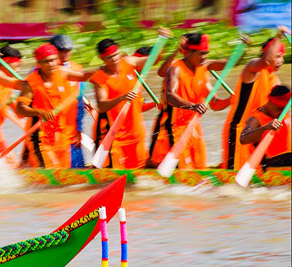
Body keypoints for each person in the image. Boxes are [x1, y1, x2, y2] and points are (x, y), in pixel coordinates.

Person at [149, 33, 231, 170]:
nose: (204, 57)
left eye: (206, 53)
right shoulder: (175, 69)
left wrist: (232, 100)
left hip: (193, 128)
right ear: (189, 52)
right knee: (175, 170)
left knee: (199, 167)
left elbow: (215, 105)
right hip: (172, 127)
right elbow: (170, 95)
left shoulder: (203, 69)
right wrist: (193, 106)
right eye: (200, 54)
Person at [222, 33, 286, 169]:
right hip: (239, 132)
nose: (281, 61)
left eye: (283, 57)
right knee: (236, 173)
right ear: (266, 54)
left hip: (260, 131)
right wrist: (278, 36)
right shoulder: (253, 69)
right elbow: (266, 62)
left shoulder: (275, 80)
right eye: (278, 56)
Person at [89, 38, 153, 169]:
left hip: (136, 132)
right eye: (109, 57)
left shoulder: (131, 67)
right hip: (114, 136)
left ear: (119, 53)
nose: (114, 60)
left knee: (140, 170)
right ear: (103, 59)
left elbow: (152, 60)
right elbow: (101, 106)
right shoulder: (100, 77)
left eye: (115, 55)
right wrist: (120, 98)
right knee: (114, 175)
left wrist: (161, 42)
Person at [16, 44, 73, 168]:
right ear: (39, 64)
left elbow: (85, 77)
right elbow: (20, 108)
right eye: (47, 61)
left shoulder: (61, 73)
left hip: (60, 135)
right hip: (40, 137)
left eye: (53, 60)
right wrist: (40, 112)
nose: (51, 64)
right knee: (51, 172)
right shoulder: (30, 83)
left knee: (64, 173)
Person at [49, 33, 87, 167]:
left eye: (68, 51)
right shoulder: (42, 70)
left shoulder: (77, 69)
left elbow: (80, 101)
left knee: (77, 168)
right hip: (51, 129)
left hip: (71, 128)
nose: (65, 54)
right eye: (62, 51)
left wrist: (79, 128)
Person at [240, 85, 291, 169]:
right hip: (266, 166)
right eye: (279, 108)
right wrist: (265, 127)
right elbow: (243, 139)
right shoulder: (255, 119)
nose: (281, 112)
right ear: (270, 102)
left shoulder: (283, 115)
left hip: (285, 160)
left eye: (284, 109)